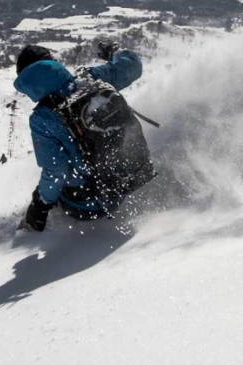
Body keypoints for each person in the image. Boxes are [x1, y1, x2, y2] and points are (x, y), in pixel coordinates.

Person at [14, 40, 149, 231]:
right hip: (122, 185)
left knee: (49, 186)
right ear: (53, 62)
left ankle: (36, 225)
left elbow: (56, 171)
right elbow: (133, 66)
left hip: (83, 206)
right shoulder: (91, 79)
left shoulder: (42, 117)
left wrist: (39, 206)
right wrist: (114, 51)